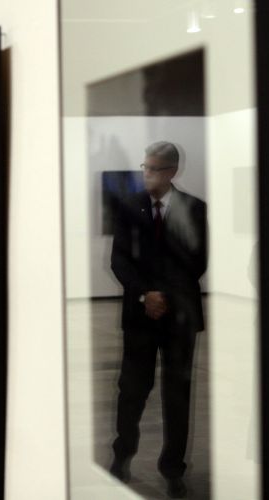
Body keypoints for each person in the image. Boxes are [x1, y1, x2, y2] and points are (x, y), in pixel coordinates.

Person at [109, 141, 207, 499]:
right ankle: (121, 458)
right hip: (140, 316)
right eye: (145, 167)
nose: (146, 174)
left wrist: (163, 295)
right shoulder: (128, 207)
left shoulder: (194, 208)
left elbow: (197, 259)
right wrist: (145, 295)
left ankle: (173, 469)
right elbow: (120, 260)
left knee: (177, 395)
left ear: (171, 172)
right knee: (132, 391)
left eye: (153, 169)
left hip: (179, 317)